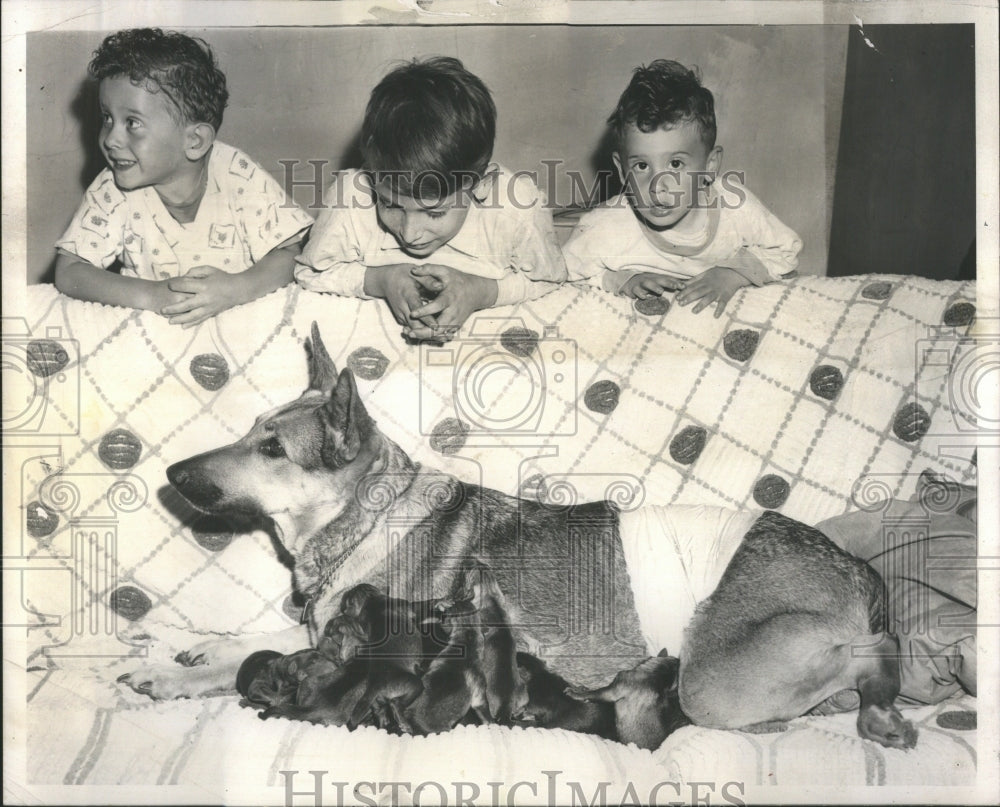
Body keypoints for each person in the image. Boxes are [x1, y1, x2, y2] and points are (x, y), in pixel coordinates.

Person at [295, 57, 567, 342]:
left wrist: (481, 291)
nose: (410, 234)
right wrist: (381, 280)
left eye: (435, 213)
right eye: (389, 204)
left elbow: (550, 280)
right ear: (371, 173)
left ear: (481, 185)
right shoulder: (351, 197)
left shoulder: (518, 207)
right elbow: (309, 272)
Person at [54, 28, 313, 327]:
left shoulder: (237, 174)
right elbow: (70, 270)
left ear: (195, 141)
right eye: (107, 118)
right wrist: (152, 295)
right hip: (157, 334)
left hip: (241, 325)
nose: (111, 138)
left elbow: (291, 255)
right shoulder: (111, 187)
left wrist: (237, 288)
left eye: (132, 123)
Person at [563, 60, 801, 317]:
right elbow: (565, 271)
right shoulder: (606, 226)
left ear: (710, 166)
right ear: (622, 171)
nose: (658, 187)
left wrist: (732, 274)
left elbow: (786, 250)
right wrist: (622, 279)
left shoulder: (734, 205)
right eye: (642, 166)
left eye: (675, 164)